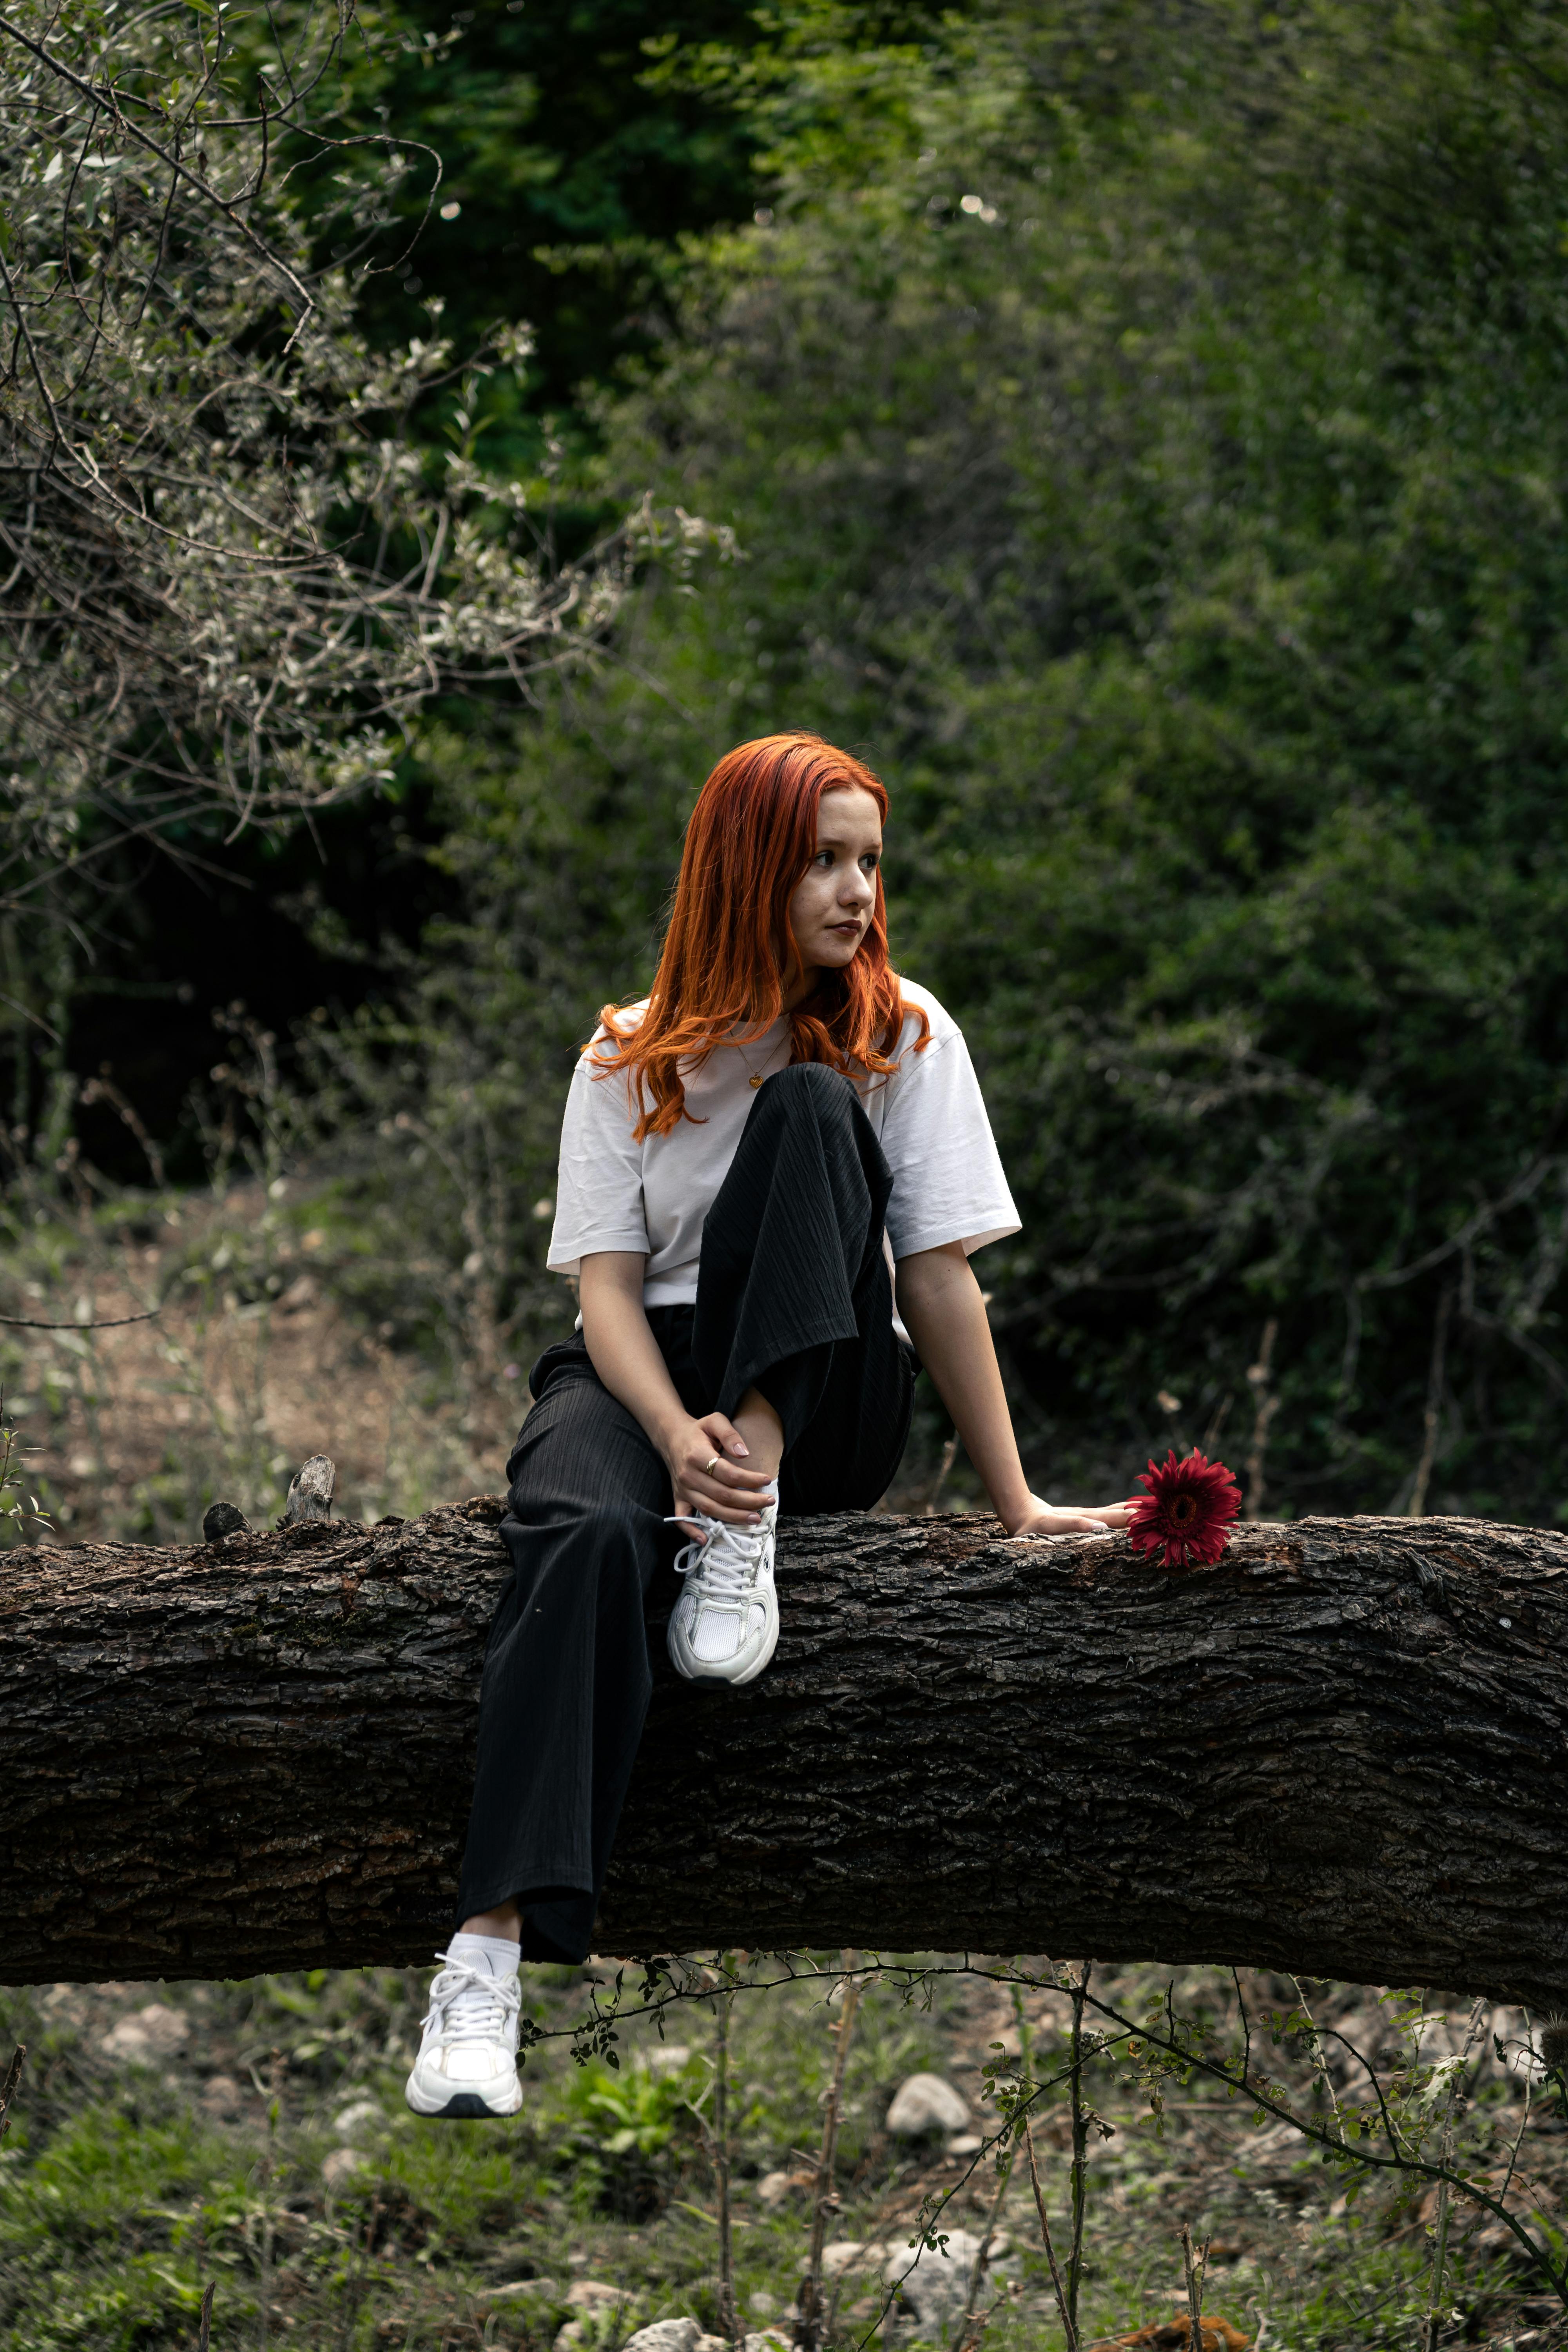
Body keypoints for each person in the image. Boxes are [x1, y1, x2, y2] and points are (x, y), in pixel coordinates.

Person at [404, 732, 1133, 2118]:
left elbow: (934, 1278)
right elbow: (607, 1293)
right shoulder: (625, 1051)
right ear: (746, 863)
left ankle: (746, 1522)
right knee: (578, 1532)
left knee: (807, 1105)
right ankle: (483, 1964)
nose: (855, 889)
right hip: (648, 1376)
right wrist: (674, 1434)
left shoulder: (901, 1031)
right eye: (822, 858)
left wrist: (1018, 1504)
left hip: (832, 1385)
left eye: (868, 860)